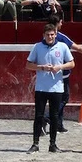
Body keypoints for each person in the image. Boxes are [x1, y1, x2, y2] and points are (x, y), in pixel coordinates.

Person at [25, 23, 74, 154]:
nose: (50, 37)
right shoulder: (37, 47)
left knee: (54, 116)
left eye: (52, 34)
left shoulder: (62, 47)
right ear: (43, 35)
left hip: (57, 87)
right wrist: (42, 67)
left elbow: (72, 63)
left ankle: (53, 144)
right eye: (47, 35)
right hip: (41, 87)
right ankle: (35, 143)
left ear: (56, 34)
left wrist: (60, 67)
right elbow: (28, 65)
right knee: (38, 115)